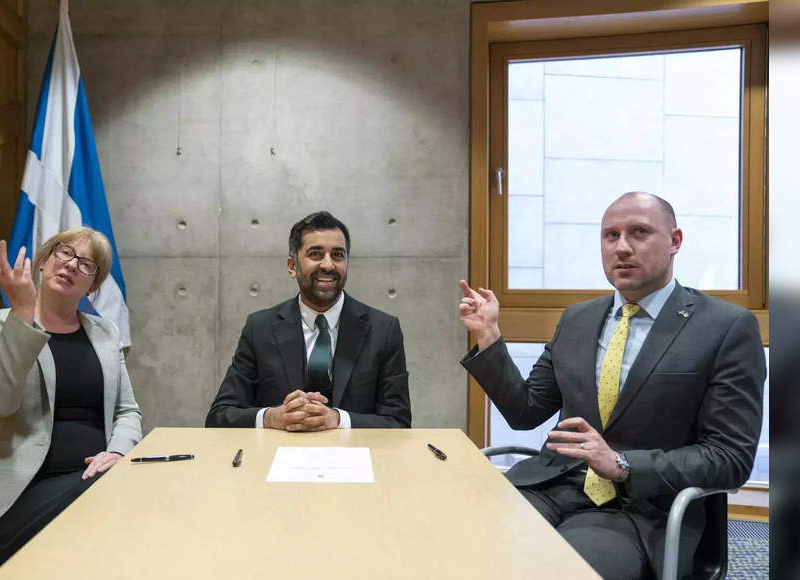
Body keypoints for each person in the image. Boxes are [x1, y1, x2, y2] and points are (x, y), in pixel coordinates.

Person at [457, 192, 765, 579]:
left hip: (640, 510)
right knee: (463, 544)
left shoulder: (725, 328)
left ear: (674, 241)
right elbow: (526, 411)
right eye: (611, 235)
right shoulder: (578, 319)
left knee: (560, 570)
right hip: (551, 485)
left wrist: (621, 465)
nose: (622, 247)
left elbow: (730, 458)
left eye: (639, 233)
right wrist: (489, 337)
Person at [0, 228, 142, 574]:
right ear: (43, 261)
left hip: (87, 489)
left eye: (86, 264)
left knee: (135, 496)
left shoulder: (105, 334)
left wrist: (117, 453)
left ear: (94, 287)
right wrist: (23, 316)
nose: (71, 264)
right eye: (64, 252)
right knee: (122, 502)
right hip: (3, 508)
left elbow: (126, 410)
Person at [206, 211, 411, 430]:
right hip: (276, 459)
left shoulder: (384, 330)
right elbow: (219, 415)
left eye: (338, 255)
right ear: (292, 266)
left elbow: (398, 422)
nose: (328, 265)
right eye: (315, 254)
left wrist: (339, 420)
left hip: (355, 459)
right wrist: (270, 418)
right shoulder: (260, 328)